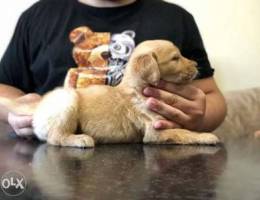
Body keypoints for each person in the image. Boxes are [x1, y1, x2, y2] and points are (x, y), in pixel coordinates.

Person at [0, 0, 227, 137]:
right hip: (52, 160)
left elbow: (212, 96)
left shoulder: (176, 19)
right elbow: (3, 90)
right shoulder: (37, 17)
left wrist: (201, 117)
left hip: (157, 164)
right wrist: (14, 109)